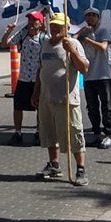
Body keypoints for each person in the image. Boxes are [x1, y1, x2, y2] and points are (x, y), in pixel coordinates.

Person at [33, 13, 90, 186]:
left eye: (59, 26)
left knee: (74, 133)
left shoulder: (73, 44)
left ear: (67, 28)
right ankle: (54, 164)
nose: (55, 28)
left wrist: (72, 51)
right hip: (46, 97)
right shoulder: (45, 44)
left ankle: (80, 169)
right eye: (53, 25)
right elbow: (40, 69)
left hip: (66, 99)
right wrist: (36, 92)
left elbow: (84, 67)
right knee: (49, 133)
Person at [2, 11, 45, 146]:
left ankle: (39, 132)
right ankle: (18, 133)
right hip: (24, 77)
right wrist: (8, 31)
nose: (31, 23)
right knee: (18, 106)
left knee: (40, 107)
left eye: (35, 20)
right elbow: (5, 44)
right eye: (30, 20)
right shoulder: (23, 34)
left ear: (41, 23)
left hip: (38, 78)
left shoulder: (45, 38)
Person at [77, 8, 111, 149]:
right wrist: (81, 33)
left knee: (106, 105)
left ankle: (108, 134)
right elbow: (72, 41)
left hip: (103, 75)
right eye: (88, 15)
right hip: (88, 76)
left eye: (93, 15)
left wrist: (87, 40)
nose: (90, 18)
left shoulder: (103, 31)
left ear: (98, 18)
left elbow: (103, 47)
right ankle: (96, 133)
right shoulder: (84, 32)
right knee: (92, 107)